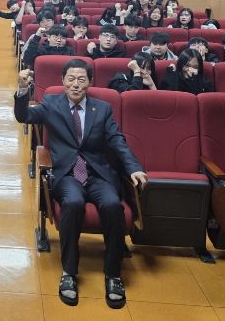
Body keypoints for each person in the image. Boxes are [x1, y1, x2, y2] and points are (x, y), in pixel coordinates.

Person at [14, 60, 146, 308]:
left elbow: (117, 140)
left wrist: (134, 167)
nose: (76, 85)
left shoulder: (102, 109)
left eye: (81, 80)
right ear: (63, 81)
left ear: (90, 82)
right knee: (73, 203)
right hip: (67, 174)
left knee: (112, 205)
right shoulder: (51, 103)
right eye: (71, 79)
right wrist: (23, 89)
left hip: (97, 174)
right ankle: (69, 272)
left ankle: (113, 274)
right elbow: (24, 116)